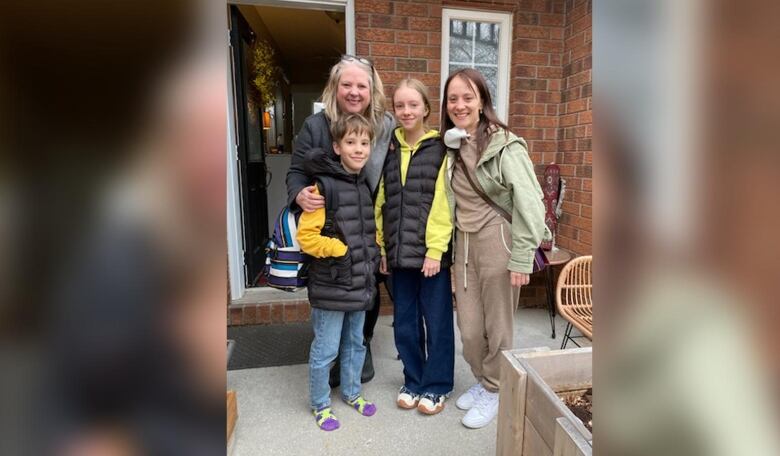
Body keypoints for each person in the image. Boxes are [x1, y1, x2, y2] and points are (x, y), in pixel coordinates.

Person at [441, 68, 549, 429]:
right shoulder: (452, 145)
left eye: (467, 97)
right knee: (470, 329)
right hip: (465, 244)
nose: (459, 104)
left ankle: (495, 386)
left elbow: (531, 203)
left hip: (498, 241)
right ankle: (483, 377)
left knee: (498, 325)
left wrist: (521, 256)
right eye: (453, 98)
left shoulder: (505, 145)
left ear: (483, 101)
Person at [286, 55, 394, 384]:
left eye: (362, 85)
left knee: (367, 283)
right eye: (346, 84)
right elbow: (296, 171)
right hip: (330, 220)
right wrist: (298, 195)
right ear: (335, 88)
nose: (354, 91)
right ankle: (330, 352)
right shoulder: (316, 126)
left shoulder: (385, 124)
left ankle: (361, 343)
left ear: (372, 89)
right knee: (331, 283)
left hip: (368, 217)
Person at [374, 78, 454, 415]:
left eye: (413, 105)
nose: (406, 111)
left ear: (426, 108)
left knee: (436, 322)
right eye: (400, 105)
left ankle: (437, 385)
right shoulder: (388, 148)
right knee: (405, 322)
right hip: (397, 253)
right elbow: (382, 199)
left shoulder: (440, 149)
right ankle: (414, 379)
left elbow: (444, 201)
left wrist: (435, 250)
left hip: (429, 255)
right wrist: (381, 246)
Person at [296, 114, 379, 431]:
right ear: (336, 146)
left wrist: (373, 255)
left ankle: (352, 393)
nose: (359, 149)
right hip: (331, 285)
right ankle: (320, 405)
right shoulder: (322, 187)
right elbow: (308, 238)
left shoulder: (363, 185)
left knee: (355, 344)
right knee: (326, 349)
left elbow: (368, 232)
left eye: (364, 142)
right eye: (351, 142)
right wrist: (341, 250)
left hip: (359, 284)